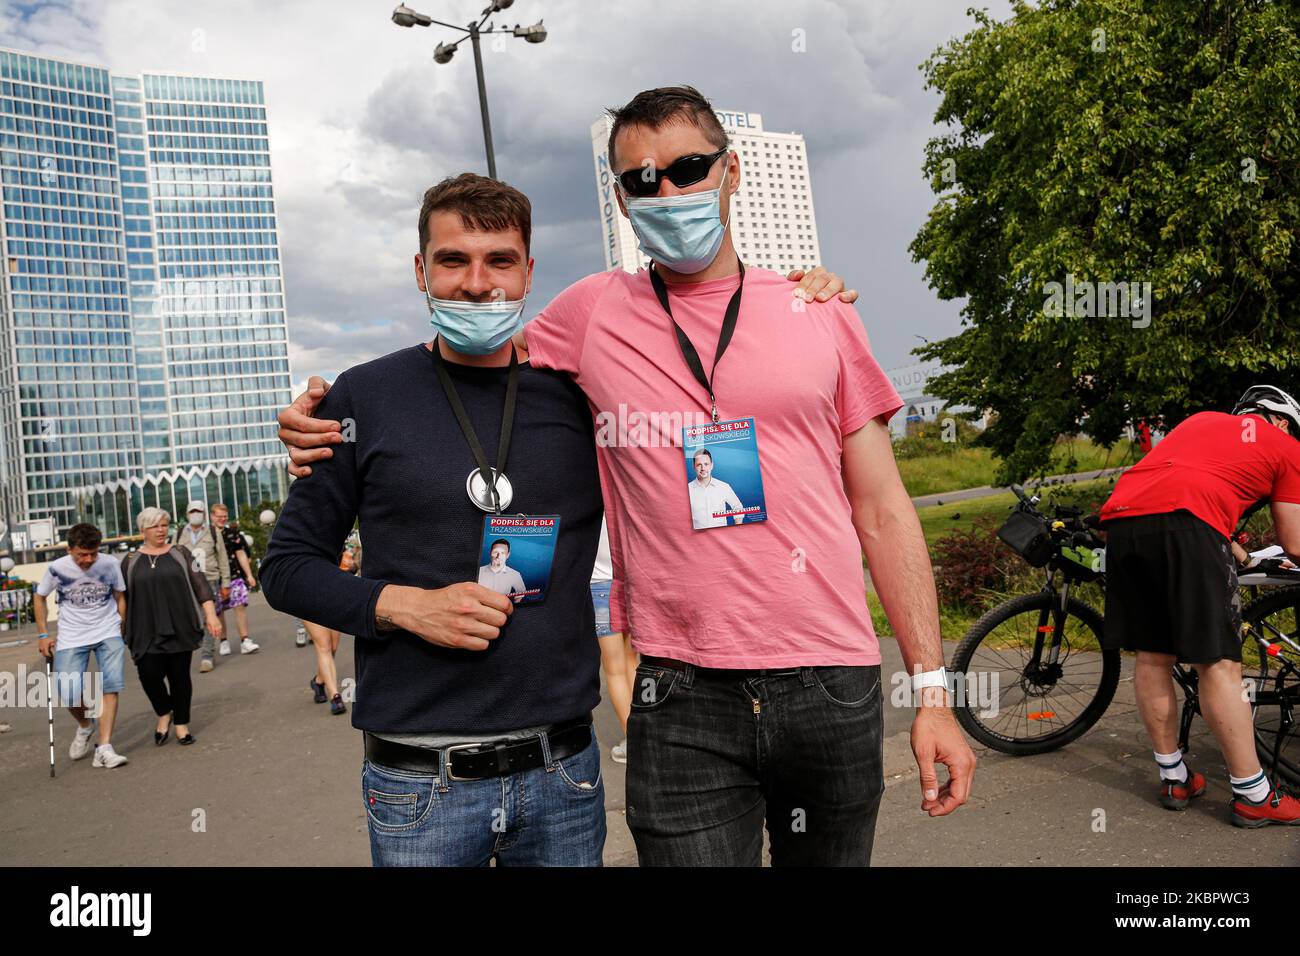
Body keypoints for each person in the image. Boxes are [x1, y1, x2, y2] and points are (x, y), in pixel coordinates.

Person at [275, 85, 968, 867]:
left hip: (827, 683)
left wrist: (933, 693)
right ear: (621, 199)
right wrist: (316, 413)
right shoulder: (587, 317)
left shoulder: (821, 313)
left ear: (732, 171)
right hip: (677, 693)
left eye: (687, 169)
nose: (666, 193)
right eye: (642, 182)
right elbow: (465, 352)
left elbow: (883, 513)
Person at [1098, 384, 1300, 826]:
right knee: (1219, 664)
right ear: (1283, 421)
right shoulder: (1285, 445)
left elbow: (1178, 488)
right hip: (1189, 525)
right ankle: (1252, 793)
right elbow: (1295, 542)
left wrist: (1236, 551)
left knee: (1152, 657)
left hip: (1123, 523)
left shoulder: (1201, 421)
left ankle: (1175, 777)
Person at [122, 508, 223, 747]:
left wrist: (211, 615)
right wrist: (120, 625)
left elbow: (201, 585)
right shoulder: (129, 562)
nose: (160, 530)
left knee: (179, 676)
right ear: (142, 531)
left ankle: (181, 725)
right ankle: (163, 711)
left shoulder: (181, 553)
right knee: (149, 675)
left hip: (180, 624)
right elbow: (121, 598)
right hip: (144, 629)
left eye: (164, 525)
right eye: (154, 526)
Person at [34, 523, 129, 769]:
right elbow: (40, 596)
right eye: (82, 555)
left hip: (107, 629)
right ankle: (86, 725)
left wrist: (121, 622)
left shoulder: (109, 564)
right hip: (72, 635)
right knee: (68, 692)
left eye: (93, 554)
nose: (88, 560)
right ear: (70, 549)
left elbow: (120, 595)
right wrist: (43, 633)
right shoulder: (57, 568)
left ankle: (104, 747)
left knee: (111, 685)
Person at [592, 519, 636, 763]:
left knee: (614, 670)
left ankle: (634, 742)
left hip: (599, 587)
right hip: (628, 582)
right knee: (632, 661)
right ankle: (644, 731)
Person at [173, 501, 231, 672]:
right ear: (187, 514)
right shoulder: (179, 533)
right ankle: (187, 650)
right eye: (193, 511)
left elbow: (222, 557)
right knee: (188, 618)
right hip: (186, 582)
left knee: (209, 618)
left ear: (204, 514)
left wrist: (226, 582)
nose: (196, 514)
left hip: (209, 579)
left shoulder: (212, 532)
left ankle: (207, 655)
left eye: (199, 511)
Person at [211, 503, 260, 654]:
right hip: (215, 578)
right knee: (219, 612)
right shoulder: (208, 534)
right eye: (219, 516)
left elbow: (241, 554)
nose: (222, 519)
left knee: (239, 606)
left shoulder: (233, 533)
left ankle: (245, 640)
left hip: (235, 576)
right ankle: (223, 641)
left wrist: (249, 575)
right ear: (212, 516)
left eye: (224, 516)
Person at [686, 447, 743, 529]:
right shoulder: (687, 490)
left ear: (712, 465)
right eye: (699, 465)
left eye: (706, 464)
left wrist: (738, 528)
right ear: (694, 466)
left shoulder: (724, 487)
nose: (703, 468)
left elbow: (738, 507)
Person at [477, 538, 527, 603]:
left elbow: (521, 592)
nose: (498, 556)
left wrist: (513, 605)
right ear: (490, 552)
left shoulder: (514, 574)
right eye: (495, 552)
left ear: (508, 555)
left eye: (503, 553)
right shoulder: (479, 571)